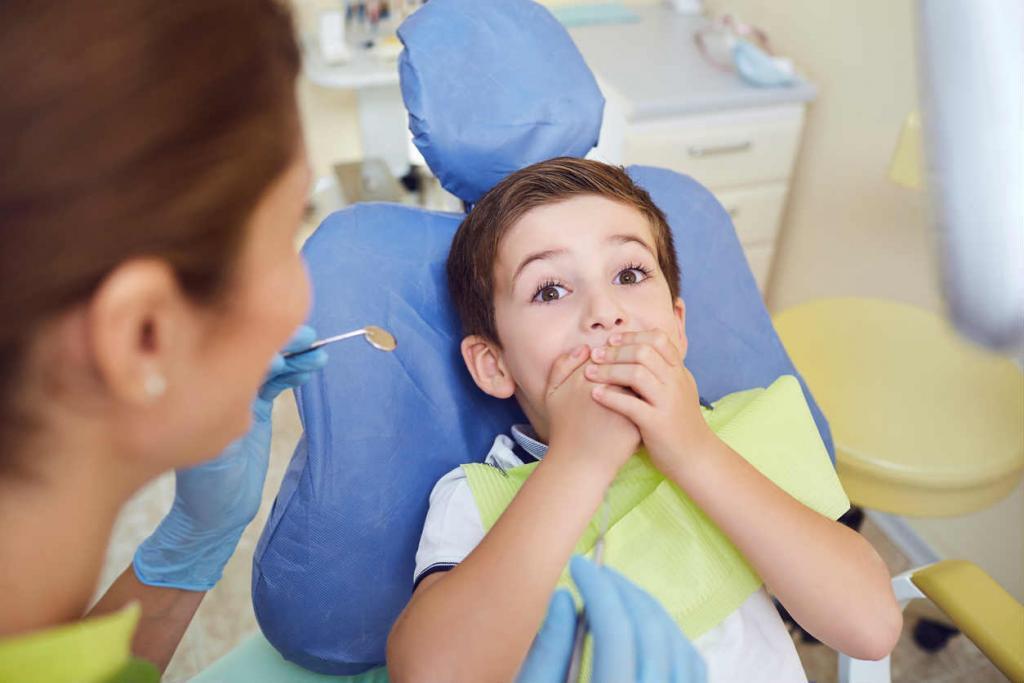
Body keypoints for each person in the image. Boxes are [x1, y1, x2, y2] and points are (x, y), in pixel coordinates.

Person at [0, 3, 702, 681]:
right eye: (284, 236)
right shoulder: (473, 505)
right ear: (144, 337)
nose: (308, 290)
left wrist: (187, 549)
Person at [387, 157, 903, 682]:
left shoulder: (733, 438)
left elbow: (870, 626)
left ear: (676, 329)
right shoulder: (474, 499)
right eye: (549, 290)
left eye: (629, 274)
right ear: (494, 364)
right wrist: (579, 460)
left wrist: (695, 451)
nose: (605, 310)